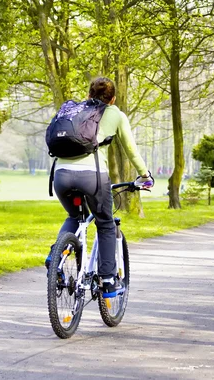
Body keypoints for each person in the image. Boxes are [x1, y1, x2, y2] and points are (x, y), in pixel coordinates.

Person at [49, 77, 152, 298]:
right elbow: (131, 150)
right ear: (113, 98)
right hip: (93, 177)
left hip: (61, 176)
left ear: (88, 94)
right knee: (105, 223)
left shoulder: (73, 110)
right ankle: (107, 280)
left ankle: (55, 258)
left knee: (74, 216)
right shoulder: (115, 113)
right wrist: (145, 175)